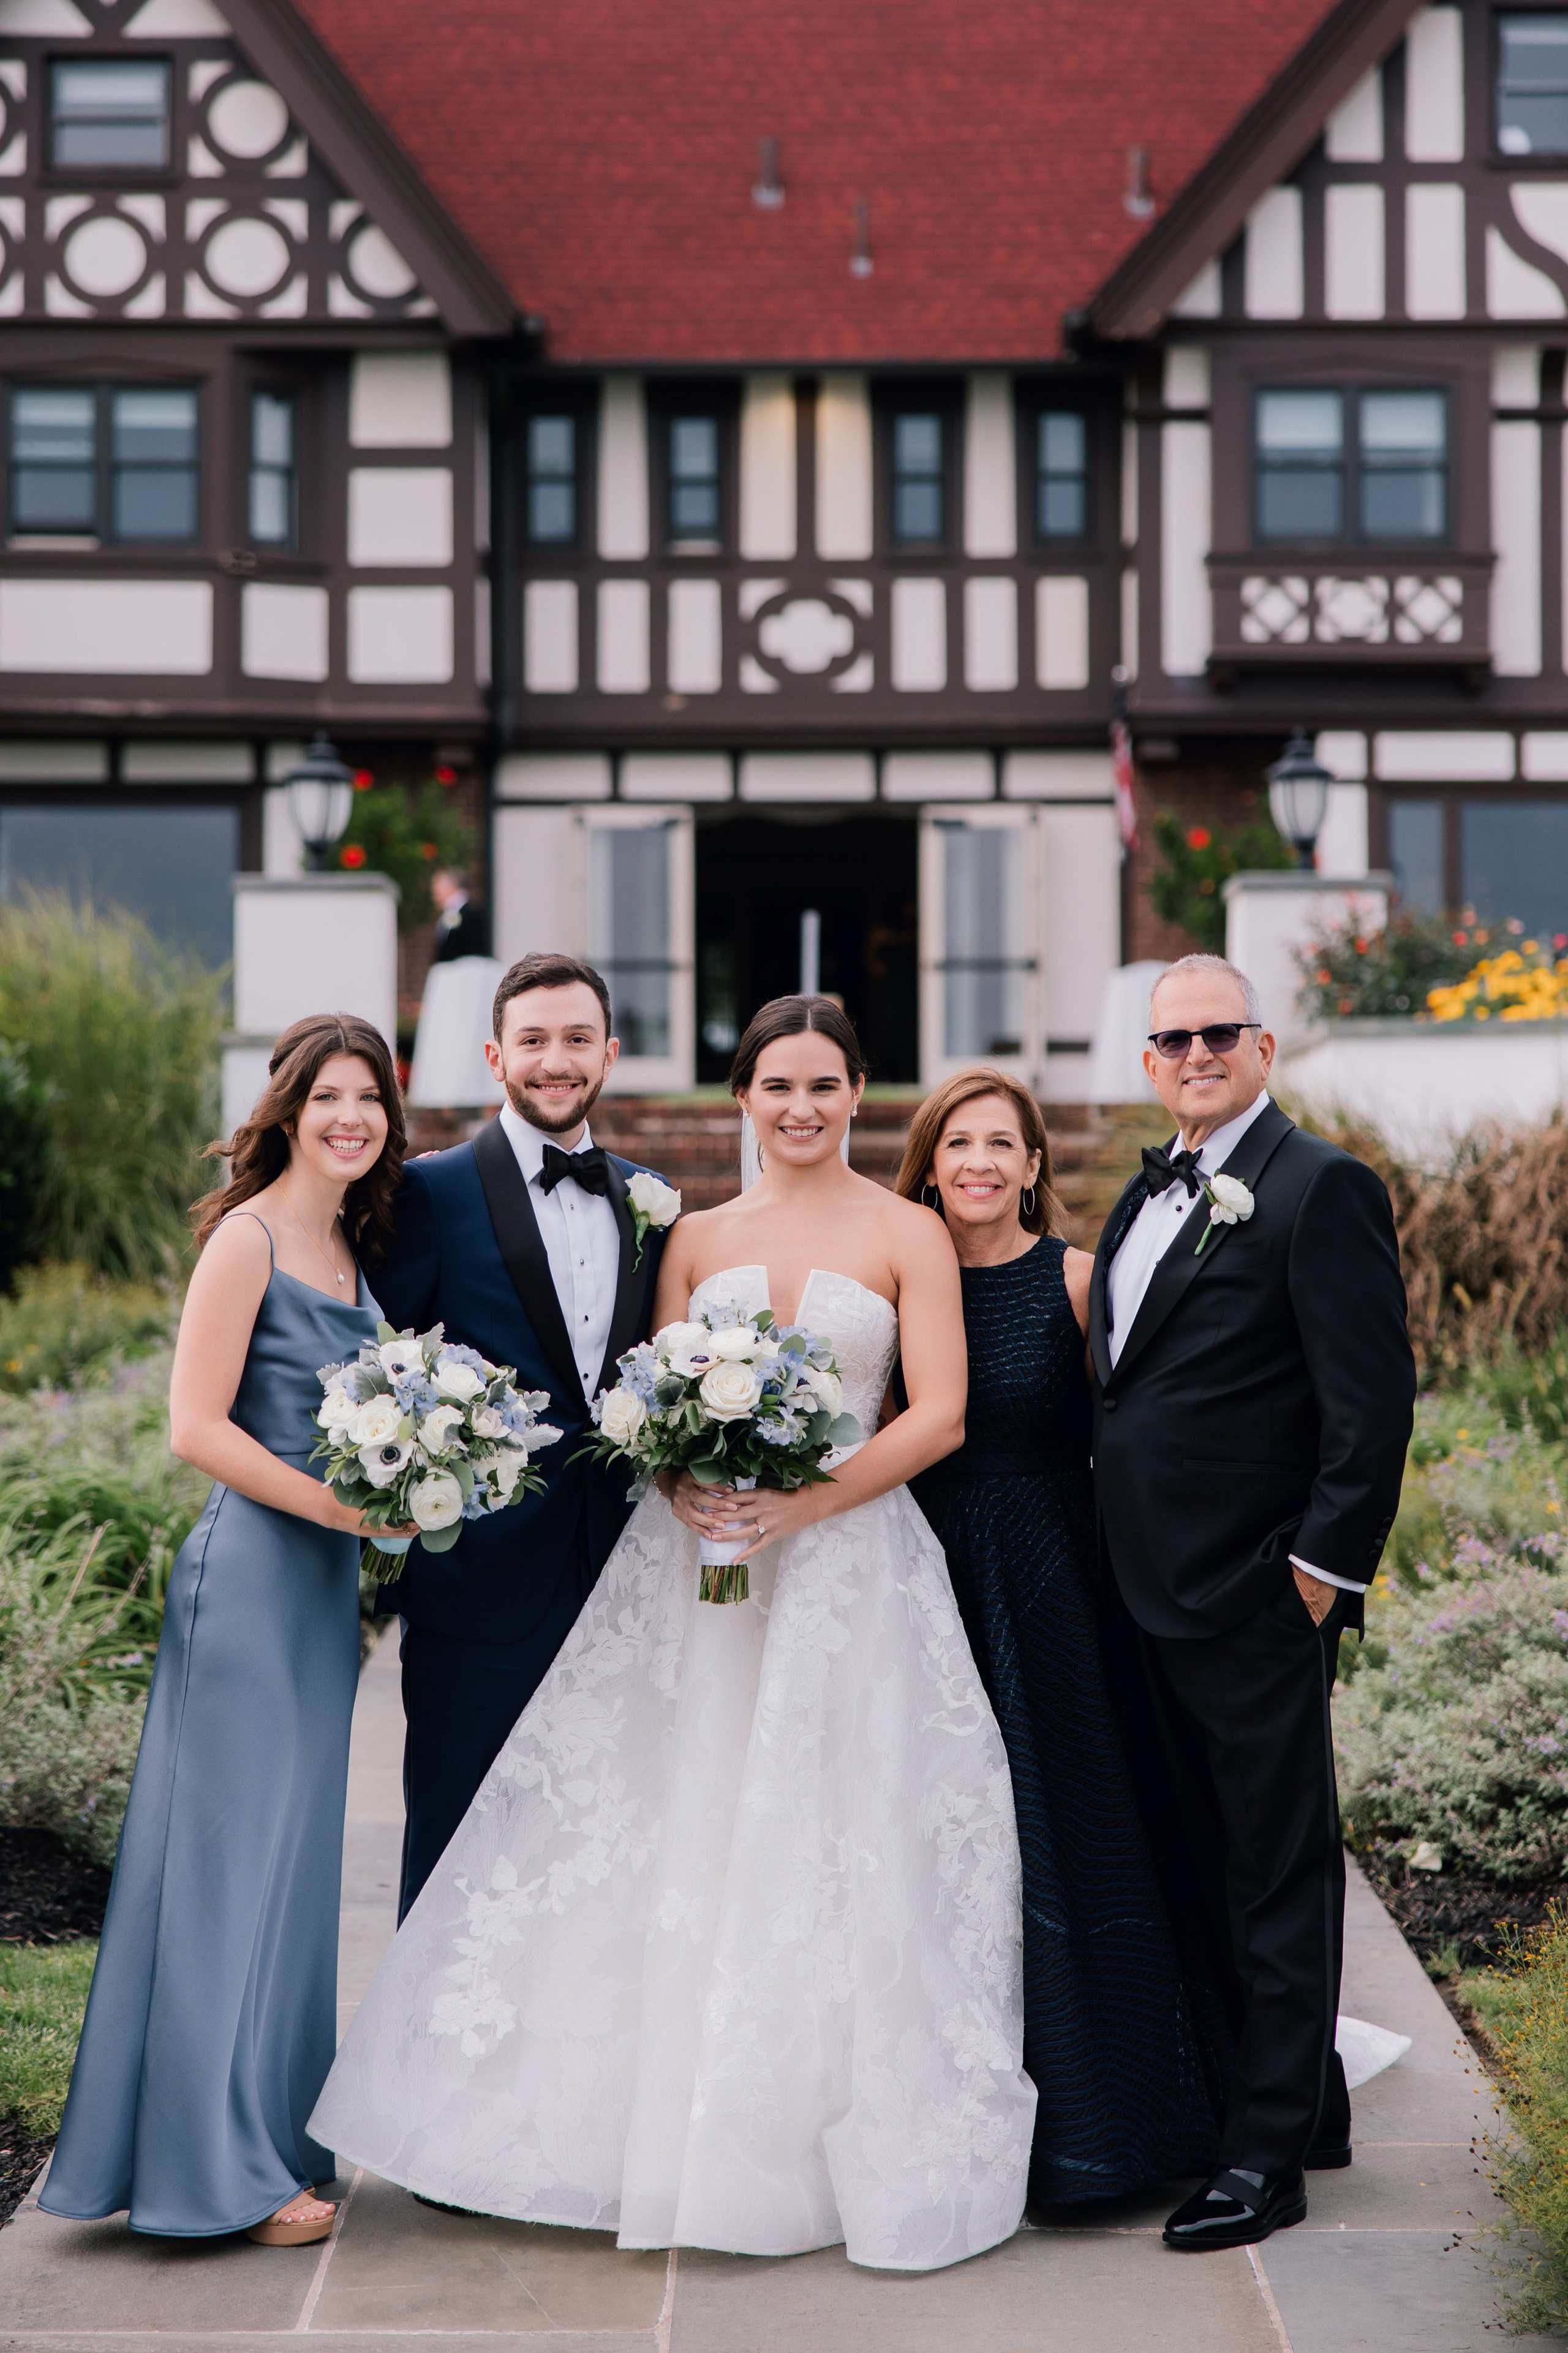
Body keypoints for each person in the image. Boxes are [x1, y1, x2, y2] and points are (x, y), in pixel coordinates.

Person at [310, 995, 1035, 2272]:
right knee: (684, 1811)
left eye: (822, 1086)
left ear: (857, 1094)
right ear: (740, 1100)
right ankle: (645, 2107)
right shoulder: (691, 1233)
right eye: (775, 1088)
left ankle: (815, 2116)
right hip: (706, 1567)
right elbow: (644, 1403)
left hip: (853, 1564)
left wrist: (808, 1498)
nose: (799, 1109)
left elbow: (938, 1416)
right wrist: (681, 1482)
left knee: (843, 1822)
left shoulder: (908, 1231)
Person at [39, 1014, 408, 2246]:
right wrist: (335, 1506)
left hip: (320, 1589)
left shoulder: (352, 1246)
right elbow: (194, 1425)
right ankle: (216, 2177)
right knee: (221, 1871)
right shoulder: (247, 1240)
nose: (350, 1118)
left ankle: (270, 2139)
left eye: (370, 1099)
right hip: (253, 1576)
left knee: (289, 1872)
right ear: (290, 1108)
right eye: (330, 1097)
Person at [1088, 953, 1415, 2254]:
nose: (1191, 1055)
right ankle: (1309, 2107)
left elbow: (1369, 1403)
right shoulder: (1140, 1194)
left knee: (1275, 1880)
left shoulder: (1317, 1185)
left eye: (1215, 1033)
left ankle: (1261, 2158)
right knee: (1198, 1864)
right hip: (1140, 1597)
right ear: (1148, 1062)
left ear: (1262, 1047)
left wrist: (1312, 1581)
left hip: (1250, 1598)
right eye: (1169, 1041)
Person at [897, 1069, 1224, 2209]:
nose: (980, 1163)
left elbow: (1156, 1431)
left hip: (1052, 1589)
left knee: (1063, 1833)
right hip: (920, 1578)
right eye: (958, 1143)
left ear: (1035, 1166)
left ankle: (1100, 2119)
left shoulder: (1081, 1282)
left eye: (1003, 1144)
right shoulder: (899, 1273)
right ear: (929, 1161)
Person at [372, 951, 676, 1917]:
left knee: (609, 1841)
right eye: (535, 1041)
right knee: (461, 1841)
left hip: (625, 1577)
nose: (557, 1060)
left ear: (610, 1053)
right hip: (479, 1584)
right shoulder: (432, 1191)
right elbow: (378, 1361)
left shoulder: (649, 1198)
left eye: (577, 1039)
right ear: (497, 1055)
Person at [429, 866, 489, 962]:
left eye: (438, 888)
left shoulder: (471, 914)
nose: (434, 895)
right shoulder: (449, 914)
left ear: (451, 886)